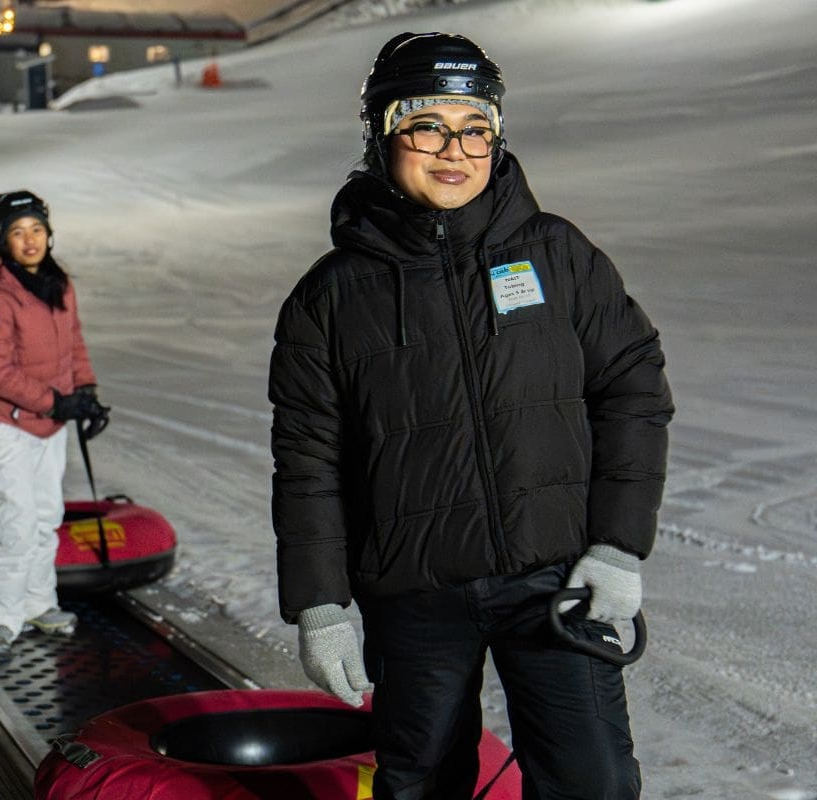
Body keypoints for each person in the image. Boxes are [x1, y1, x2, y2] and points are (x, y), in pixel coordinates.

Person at [268, 32, 673, 800]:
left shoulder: (558, 256)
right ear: (384, 133)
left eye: (476, 127)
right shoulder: (330, 298)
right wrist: (320, 603)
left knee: (594, 784)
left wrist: (619, 546)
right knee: (421, 785)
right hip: (413, 595)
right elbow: (308, 459)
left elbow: (633, 389)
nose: (455, 149)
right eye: (429, 124)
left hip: (554, 583)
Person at [0, 190, 108, 655]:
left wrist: (84, 394)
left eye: (37, 230)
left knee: (46, 517)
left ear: (49, 234)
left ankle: (35, 602)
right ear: (2, 240)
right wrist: (55, 402)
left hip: (47, 423)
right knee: (17, 522)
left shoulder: (58, 284)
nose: (29, 241)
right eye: (17, 232)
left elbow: (75, 345)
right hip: (4, 426)